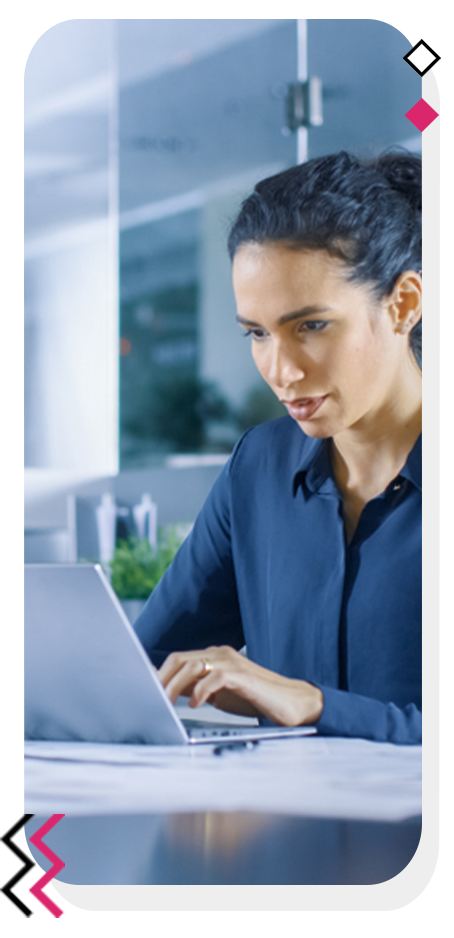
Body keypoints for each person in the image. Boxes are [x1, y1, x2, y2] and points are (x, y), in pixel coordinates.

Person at [134, 150, 422, 744]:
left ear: (403, 305)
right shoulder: (257, 470)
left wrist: (316, 705)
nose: (280, 370)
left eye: (311, 326)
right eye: (257, 334)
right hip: (281, 830)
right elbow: (143, 669)